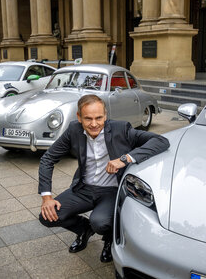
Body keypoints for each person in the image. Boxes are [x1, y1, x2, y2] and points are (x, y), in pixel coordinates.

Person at [38, 94, 169, 262]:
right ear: (79, 117)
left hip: (111, 191)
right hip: (83, 189)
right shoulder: (73, 130)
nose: (94, 124)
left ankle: (108, 240)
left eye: (99, 118)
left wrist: (125, 159)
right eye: (88, 119)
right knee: (47, 216)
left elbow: (161, 141)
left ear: (105, 115)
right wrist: (46, 197)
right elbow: (48, 159)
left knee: (100, 222)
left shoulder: (121, 129)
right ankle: (83, 230)